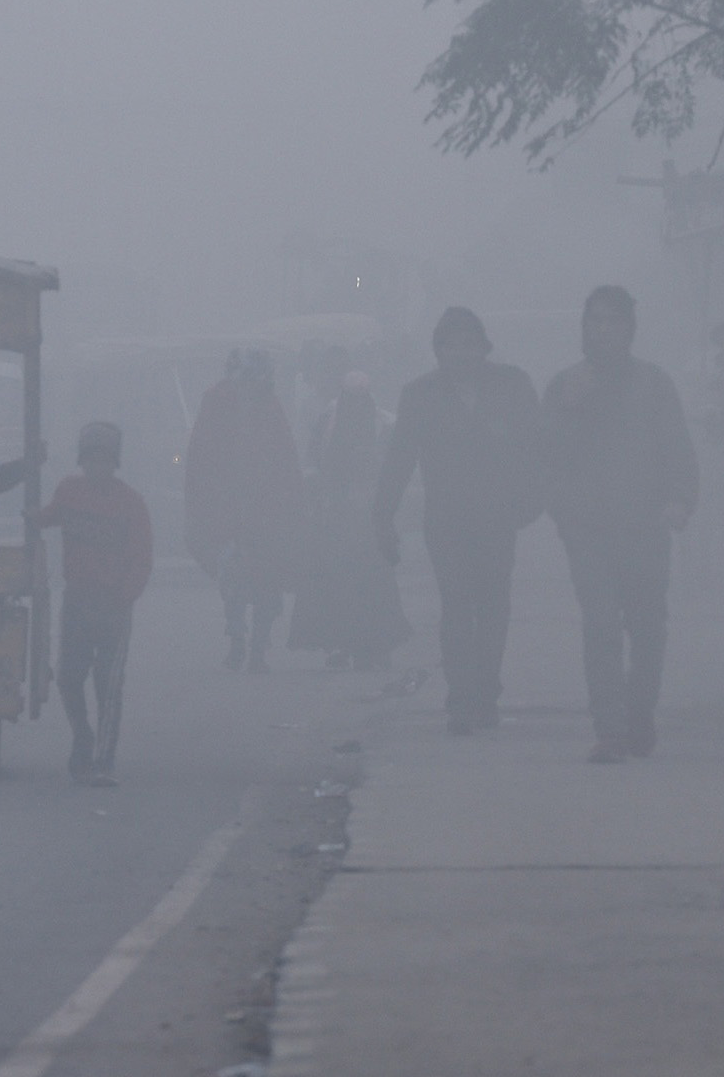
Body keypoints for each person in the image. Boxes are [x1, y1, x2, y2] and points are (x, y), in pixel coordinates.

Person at [542, 286, 698, 762]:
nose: (603, 330)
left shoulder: (654, 383)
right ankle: (610, 728)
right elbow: (546, 456)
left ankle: (639, 714)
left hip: (645, 524)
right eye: (595, 321)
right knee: (602, 624)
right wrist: (563, 513)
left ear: (630, 329)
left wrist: (678, 500)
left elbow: (677, 447)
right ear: (583, 327)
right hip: (588, 528)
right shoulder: (564, 385)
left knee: (648, 626)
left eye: (613, 321)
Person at [375, 307, 545, 733]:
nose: (463, 354)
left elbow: (537, 449)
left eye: (471, 344)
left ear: (484, 347)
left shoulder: (512, 386)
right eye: (453, 345)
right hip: (446, 519)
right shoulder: (420, 395)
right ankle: (461, 694)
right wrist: (383, 515)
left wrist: (531, 501)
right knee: (455, 605)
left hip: (497, 516)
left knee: (491, 606)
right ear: (438, 351)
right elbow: (400, 458)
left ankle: (485, 691)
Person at [36, 422, 154, 786]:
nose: (96, 467)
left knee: (108, 684)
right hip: (77, 599)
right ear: (82, 461)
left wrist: (125, 596)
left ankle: (103, 761)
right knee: (69, 677)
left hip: (114, 604)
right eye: (90, 460)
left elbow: (142, 558)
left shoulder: (131, 503)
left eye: (104, 460)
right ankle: (83, 736)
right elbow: (50, 516)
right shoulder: (69, 492)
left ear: (114, 463)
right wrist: (30, 516)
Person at [184, 349, 306, 672]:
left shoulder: (269, 405)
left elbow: (285, 455)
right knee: (234, 577)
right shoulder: (217, 402)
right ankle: (239, 638)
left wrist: (289, 500)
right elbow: (200, 455)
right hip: (228, 508)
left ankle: (257, 647)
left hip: (267, 508)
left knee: (267, 578)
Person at [291, 373, 409, 669]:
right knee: (339, 582)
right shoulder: (327, 422)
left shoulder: (385, 425)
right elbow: (312, 464)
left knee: (371, 583)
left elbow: (394, 469)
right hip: (336, 517)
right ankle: (343, 642)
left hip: (370, 518)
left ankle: (375, 645)